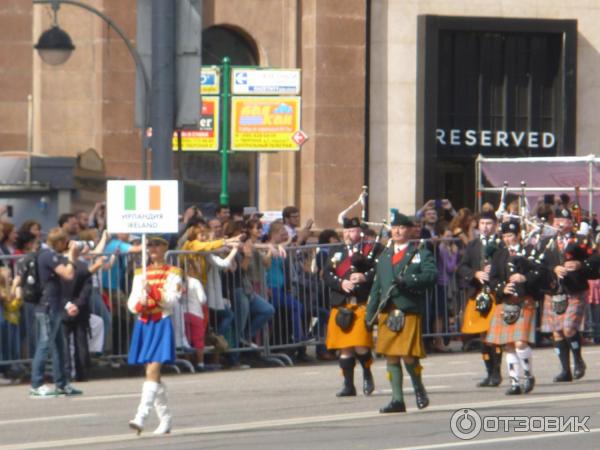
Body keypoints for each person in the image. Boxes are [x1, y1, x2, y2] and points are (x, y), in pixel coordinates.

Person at [365, 211, 437, 413]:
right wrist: (369, 314)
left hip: (408, 308)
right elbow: (377, 287)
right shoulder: (385, 256)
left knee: (407, 355)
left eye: (401, 228)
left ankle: (418, 388)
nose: (396, 231)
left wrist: (408, 281)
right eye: (394, 228)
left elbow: (431, 276)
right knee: (391, 356)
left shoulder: (420, 253)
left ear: (410, 231)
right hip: (388, 311)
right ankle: (397, 399)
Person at [127, 235, 182, 435]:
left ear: (166, 247)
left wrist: (154, 293)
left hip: (161, 322)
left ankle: (141, 416)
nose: (152, 248)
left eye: (157, 244)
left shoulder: (173, 272)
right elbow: (132, 303)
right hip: (144, 323)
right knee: (152, 374)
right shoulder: (141, 273)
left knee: (153, 369)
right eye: (149, 244)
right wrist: (140, 302)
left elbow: (171, 300)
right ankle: (166, 419)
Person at [324, 217, 380, 397]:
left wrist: (365, 277)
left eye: (352, 230)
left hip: (361, 303)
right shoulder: (336, 251)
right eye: (346, 231)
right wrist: (341, 284)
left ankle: (367, 374)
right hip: (342, 304)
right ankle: (348, 385)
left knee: (361, 345)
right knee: (345, 347)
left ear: (360, 232)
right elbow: (326, 274)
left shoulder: (372, 249)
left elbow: (381, 270)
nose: (348, 234)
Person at [486, 219, 540, 395]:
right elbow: (492, 278)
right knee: (508, 345)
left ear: (518, 235)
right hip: (506, 302)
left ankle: (528, 375)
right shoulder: (499, 255)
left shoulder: (530, 252)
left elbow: (540, 272)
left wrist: (525, 278)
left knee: (520, 343)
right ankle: (515, 382)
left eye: (510, 235)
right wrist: (502, 288)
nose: (507, 239)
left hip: (525, 301)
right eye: (504, 236)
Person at [29, 228, 82, 397]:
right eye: (64, 242)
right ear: (58, 242)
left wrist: (73, 255)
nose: (66, 245)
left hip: (55, 305)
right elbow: (68, 274)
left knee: (60, 346)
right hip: (47, 306)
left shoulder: (53, 255)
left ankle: (61, 383)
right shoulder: (47, 255)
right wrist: (72, 256)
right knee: (45, 344)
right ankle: (36, 384)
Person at [541, 208, 589, 382]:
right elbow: (540, 265)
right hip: (554, 291)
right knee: (558, 332)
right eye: (556, 220)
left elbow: (595, 259)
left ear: (571, 223)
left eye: (563, 220)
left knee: (569, 328)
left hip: (575, 290)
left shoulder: (581, 240)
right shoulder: (547, 242)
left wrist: (580, 264)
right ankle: (565, 370)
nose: (559, 223)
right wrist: (553, 269)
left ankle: (578, 361)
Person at [457, 210, 503, 387]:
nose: (485, 227)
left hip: (496, 294)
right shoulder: (473, 245)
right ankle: (489, 372)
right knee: (484, 335)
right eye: (483, 223)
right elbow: (462, 267)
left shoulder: (501, 244)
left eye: (489, 224)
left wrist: (496, 270)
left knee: (495, 335)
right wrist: (475, 273)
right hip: (479, 294)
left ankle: (497, 373)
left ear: (495, 225)